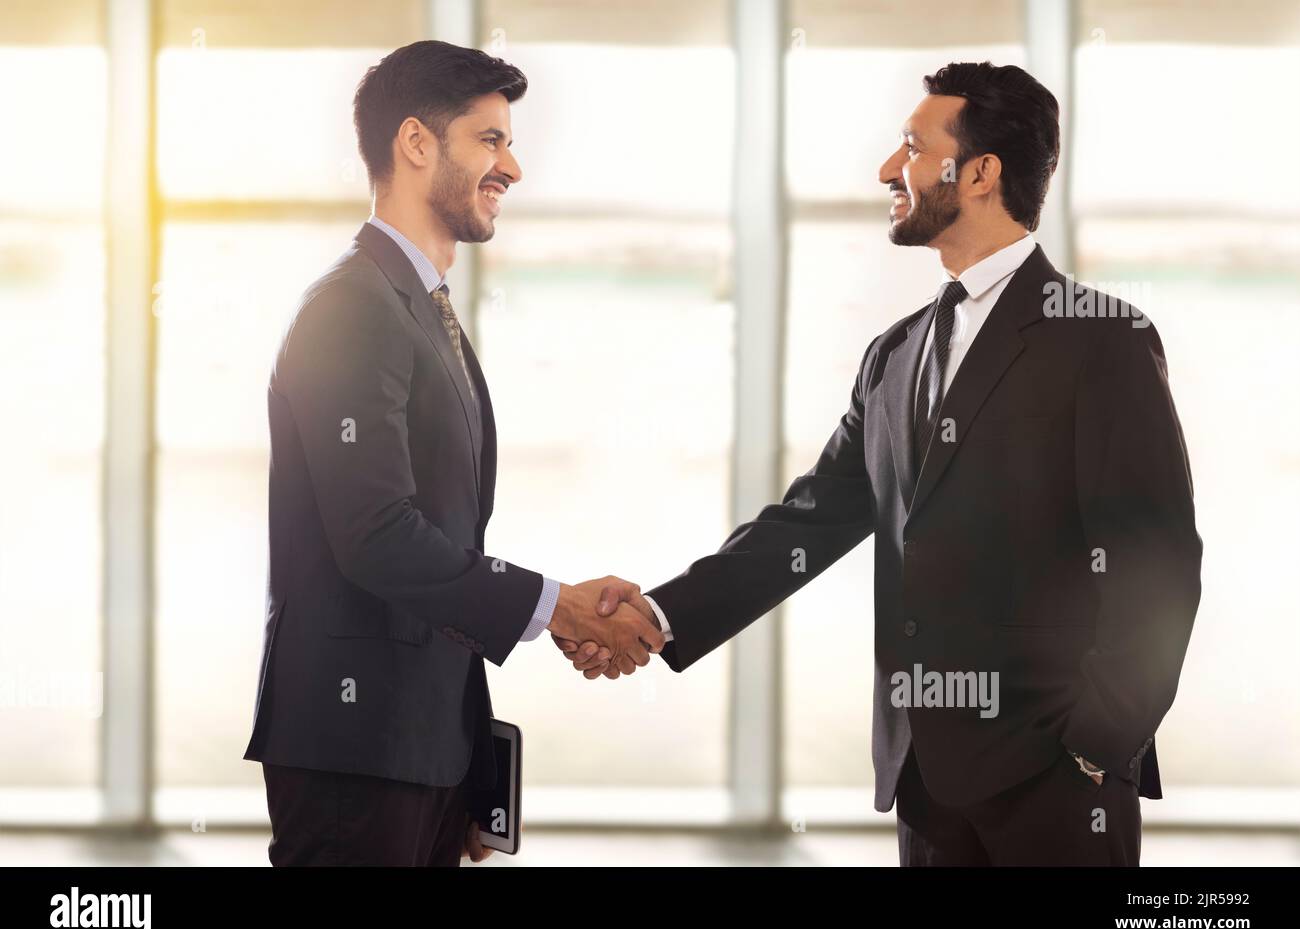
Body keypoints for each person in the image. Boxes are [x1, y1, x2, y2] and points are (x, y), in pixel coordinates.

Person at [561, 61, 1202, 866]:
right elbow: (809, 521)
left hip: (1059, 788)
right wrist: (659, 614)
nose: (886, 169)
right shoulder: (894, 354)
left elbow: (1160, 563)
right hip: (925, 783)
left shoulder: (1103, 339)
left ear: (979, 172)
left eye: (910, 146)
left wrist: (1096, 746)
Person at [243, 40, 662, 867]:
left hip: (416, 748)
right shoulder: (351, 308)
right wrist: (557, 607)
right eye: (491, 139)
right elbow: (379, 534)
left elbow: (444, 555)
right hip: (354, 748)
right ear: (415, 144)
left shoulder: (420, 309)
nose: (512, 166)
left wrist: (465, 762)